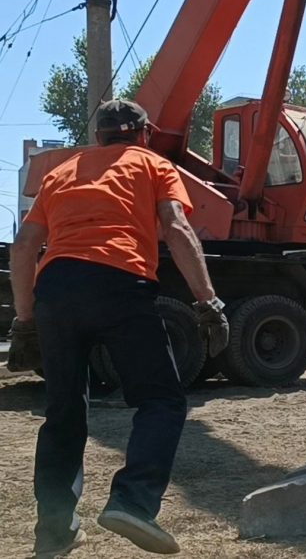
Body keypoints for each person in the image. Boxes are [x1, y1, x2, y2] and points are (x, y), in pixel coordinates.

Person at [7, 99, 228, 557]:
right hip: (119, 282)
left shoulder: (61, 172)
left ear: (98, 137)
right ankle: (132, 501)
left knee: (64, 413)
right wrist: (208, 302)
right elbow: (177, 227)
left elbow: (25, 245)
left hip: (57, 289)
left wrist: (25, 319)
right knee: (161, 400)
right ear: (144, 135)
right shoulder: (152, 164)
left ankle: (54, 532)